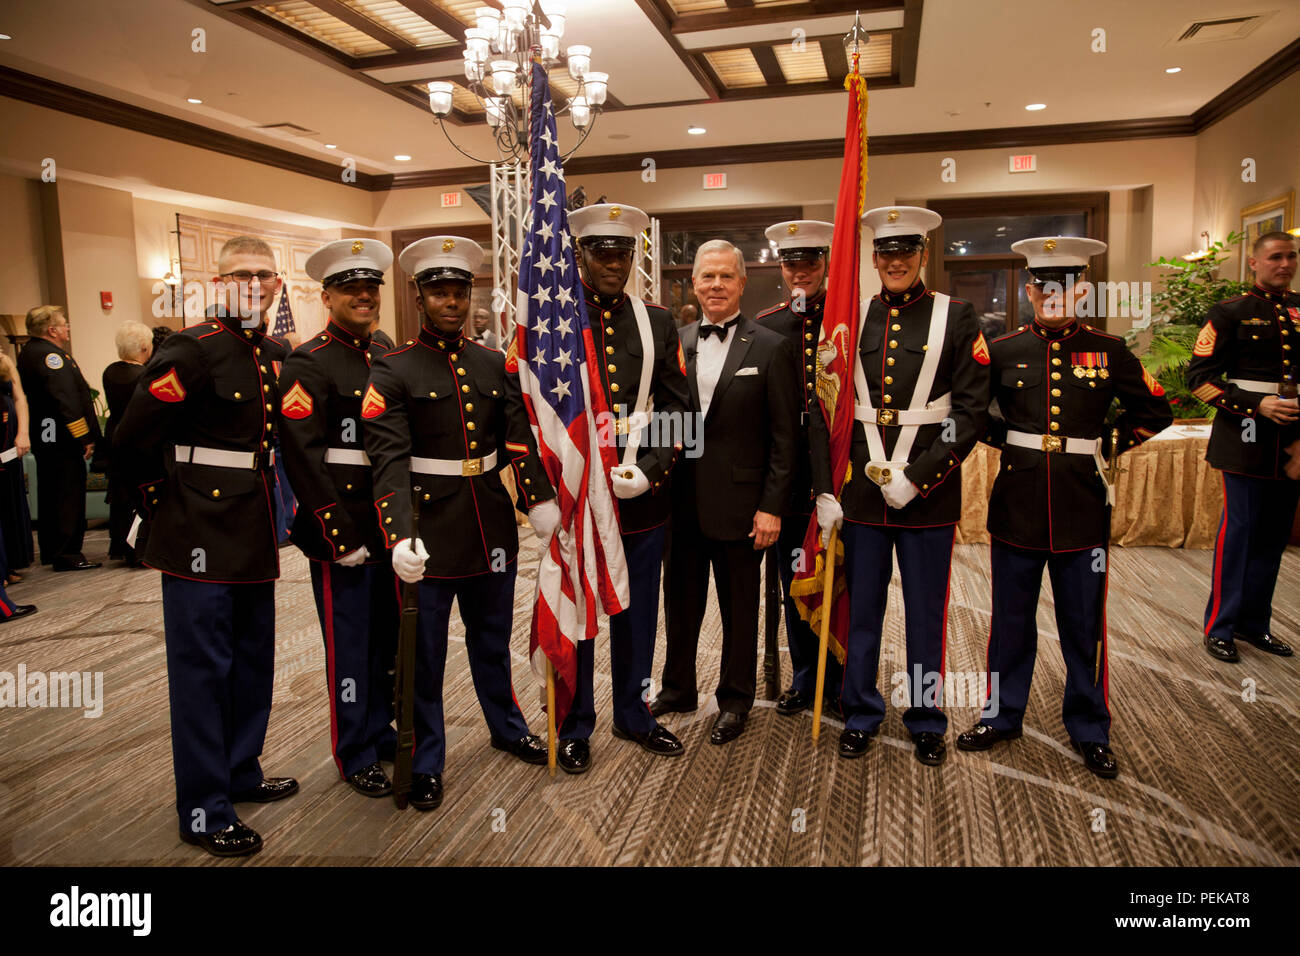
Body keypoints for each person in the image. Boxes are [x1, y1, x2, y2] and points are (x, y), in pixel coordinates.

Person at [956, 237, 1172, 779]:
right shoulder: (1000, 349)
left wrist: (1106, 446)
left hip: (1081, 506)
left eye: (1065, 287)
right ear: (1030, 291)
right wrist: (1016, 444)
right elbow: (972, 411)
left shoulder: (1108, 350)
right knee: (1009, 622)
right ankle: (1002, 715)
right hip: (1017, 505)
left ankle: (1089, 727)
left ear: (1081, 291)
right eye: (1042, 287)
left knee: (1083, 625)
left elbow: (1158, 409)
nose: (1053, 296)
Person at [116, 236, 297, 858]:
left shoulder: (272, 353)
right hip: (196, 529)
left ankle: (241, 770)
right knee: (201, 674)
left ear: (277, 284)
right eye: (237, 275)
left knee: (252, 661)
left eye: (262, 275)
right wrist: (162, 507)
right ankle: (202, 806)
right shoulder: (191, 350)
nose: (251, 284)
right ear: (217, 284)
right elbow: (132, 438)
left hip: (251, 526)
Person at [363, 235, 557, 811]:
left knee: (491, 638)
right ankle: (424, 759)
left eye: (459, 292)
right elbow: (389, 461)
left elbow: (518, 441)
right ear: (419, 298)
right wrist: (400, 534)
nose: (451, 302)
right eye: (439, 293)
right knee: (422, 654)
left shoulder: (493, 363)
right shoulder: (392, 367)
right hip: (428, 527)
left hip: (489, 521)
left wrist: (538, 501)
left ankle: (506, 725)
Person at [810, 206, 989, 766]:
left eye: (905, 251)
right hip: (862, 491)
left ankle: (927, 717)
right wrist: (826, 487)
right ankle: (861, 711)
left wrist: (920, 478)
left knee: (925, 614)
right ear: (872, 257)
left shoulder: (957, 317)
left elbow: (971, 412)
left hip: (928, 496)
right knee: (861, 610)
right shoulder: (850, 316)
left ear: (923, 254)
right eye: (885, 252)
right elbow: (829, 407)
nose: (894, 261)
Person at [555, 202, 692, 773]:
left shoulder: (657, 320)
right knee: (583, 610)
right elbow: (530, 412)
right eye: (601, 252)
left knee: (636, 612)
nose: (614, 262)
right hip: (582, 495)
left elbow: (682, 412)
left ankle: (634, 715)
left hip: (641, 498)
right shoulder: (555, 317)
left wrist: (652, 468)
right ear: (580, 256)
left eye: (623, 253)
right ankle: (575, 722)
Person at [652, 240, 799, 745]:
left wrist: (771, 507)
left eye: (725, 277)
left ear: (742, 283)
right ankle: (678, 687)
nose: (715, 285)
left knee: (740, 609)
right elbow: (667, 420)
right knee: (681, 601)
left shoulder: (771, 346)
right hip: (682, 503)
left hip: (743, 508)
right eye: (706, 276)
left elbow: (785, 438)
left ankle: (735, 698)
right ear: (693, 282)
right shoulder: (678, 341)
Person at [280, 238, 398, 798]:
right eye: (351, 289)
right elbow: (300, 456)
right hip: (345, 526)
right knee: (350, 645)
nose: (363, 296)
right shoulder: (308, 360)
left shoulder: (387, 349)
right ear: (327, 296)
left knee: (388, 637)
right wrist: (335, 532)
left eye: (370, 288)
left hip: (390, 521)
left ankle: (381, 729)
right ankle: (355, 751)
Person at [1186, 230, 1300, 663]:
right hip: (1244, 440)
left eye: (1291, 257)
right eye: (1275, 257)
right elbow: (1199, 380)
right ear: (1254, 263)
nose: (1284, 264)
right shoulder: (1229, 312)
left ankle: (1256, 625)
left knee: (1273, 538)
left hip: (1292, 443)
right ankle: (1221, 626)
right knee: (1240, 534)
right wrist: (1257, 405)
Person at [755, 219, 844, 715]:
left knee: (845, 579)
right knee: (796, 579)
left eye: (810, 261)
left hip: (843, 471)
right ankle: (807, 678)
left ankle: (845, 678)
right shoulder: (767, 325)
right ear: (782, 268)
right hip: (791, 479)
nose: (801, 271)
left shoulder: (846, 317)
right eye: (792, 263)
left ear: (825, 264)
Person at [17, 305, 101, 571]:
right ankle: (67, 553)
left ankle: (53, 549)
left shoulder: (30, 351)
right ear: (51, 330)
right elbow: (65, 400)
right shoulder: (51, 356)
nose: (67, 328)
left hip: (47, 436)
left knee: (52, 493)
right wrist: (83, 437)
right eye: (64, 324)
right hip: (62, 439)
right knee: (67, 494)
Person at [101, 321, 153, 564]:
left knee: (121, 493)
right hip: (139, 438)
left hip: (114, 436)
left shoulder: (110, 372)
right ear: (144, 347)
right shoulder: (143, 376)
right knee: (139, 494)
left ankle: (121, 544)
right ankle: (138, 548)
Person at [0, 350, 33, 582]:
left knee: (10, 499)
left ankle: (10, 564)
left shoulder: (4, 360)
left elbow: (20, 397)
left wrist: (23, 433)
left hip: (9, 435)